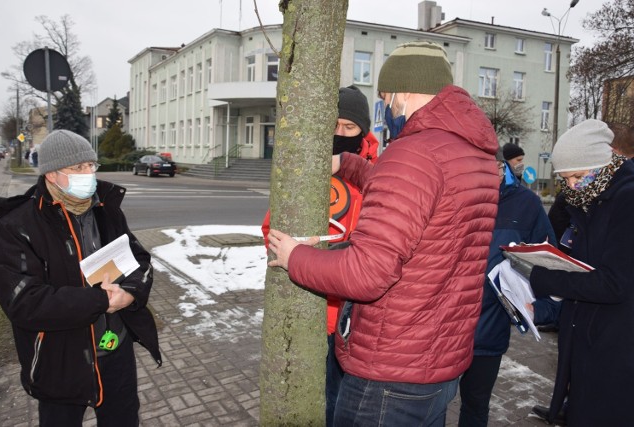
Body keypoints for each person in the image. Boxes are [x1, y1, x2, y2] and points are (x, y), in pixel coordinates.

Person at [267, 40, 500, 425]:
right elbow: (422, 203)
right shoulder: (472, 154)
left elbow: (367, 274)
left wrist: (296, 257)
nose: (387, 108)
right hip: (440, 363)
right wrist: (349, 163)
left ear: (404, 94)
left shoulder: (413, 153)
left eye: (387, 97)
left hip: (390, 371)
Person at [0, 129, 162, 427]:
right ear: (51, 175)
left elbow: (139, 260)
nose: (89, 174)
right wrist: (101, 299)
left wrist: (131, 293)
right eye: (78, 168)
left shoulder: (104, 210)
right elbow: (24, 302)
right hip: (60, 359)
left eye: (91, 166)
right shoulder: (16, 226)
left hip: (115, 350)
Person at [261, 85, 379, 426]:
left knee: (356, 409)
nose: (339, 134)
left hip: (362, 318)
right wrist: (296, 250)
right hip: (318, 315)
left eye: (349, 128)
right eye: (335, 125)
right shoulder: (309, 170)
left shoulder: (379, 173)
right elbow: (272, 230)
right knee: (326, 405)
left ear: (363, 131)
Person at [504, 119, 634, 426]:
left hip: (615, 346)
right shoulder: (591, 198)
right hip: (590, 337)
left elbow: (614, 283)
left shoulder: (627, 200)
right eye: (565, 179)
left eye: (577, 175)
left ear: (601, 163)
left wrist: (542, 275)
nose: (573, 185)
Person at [458, 148, 559, 427]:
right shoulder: (450, 193)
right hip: (442, 329)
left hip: (488, 330)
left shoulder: (525, 204)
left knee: (475, 407)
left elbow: (547, 259)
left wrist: (545, 308)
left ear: (503, 167)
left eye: (496, 168)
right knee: (430, 407)